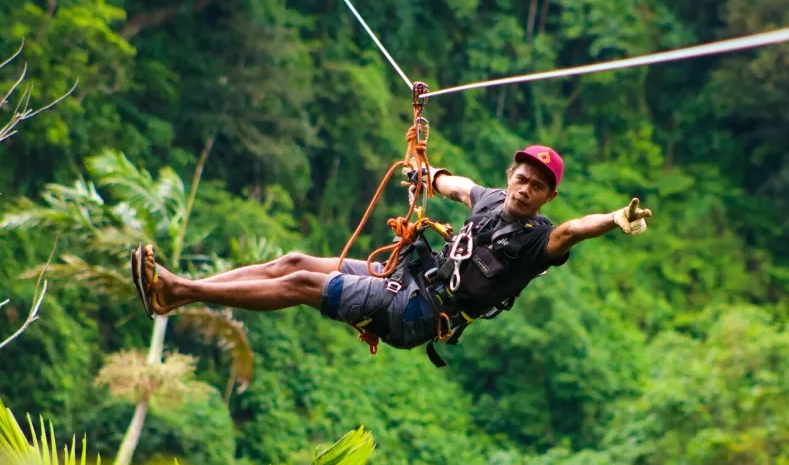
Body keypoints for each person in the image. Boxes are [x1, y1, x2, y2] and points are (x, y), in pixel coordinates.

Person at [131, 145, 652, 366]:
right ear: (511, 176)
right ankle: (179, 291)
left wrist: (612, 219)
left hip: (418, 313)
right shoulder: (491, 198)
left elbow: (573, 232)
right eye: (521, 179)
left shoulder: (539, 242)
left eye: (537, 187)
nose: (524, 189)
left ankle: (175, 291)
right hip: (408, 277)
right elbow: (454, 185)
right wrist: (425, 173)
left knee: (300, 288)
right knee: (291, 262)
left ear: (547, 197)